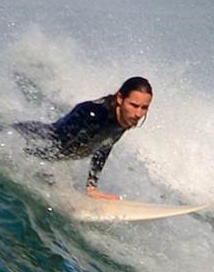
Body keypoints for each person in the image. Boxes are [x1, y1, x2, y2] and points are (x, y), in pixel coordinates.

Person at [13, 76, 154, 199]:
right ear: (120, 98)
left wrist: (91, 187)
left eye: (144, 108)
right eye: (134, 105)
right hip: (39, 135)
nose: (138, 114)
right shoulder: (94, 117)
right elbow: (58, 150)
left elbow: (105, 146)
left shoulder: (125, 118)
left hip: (53, 146)